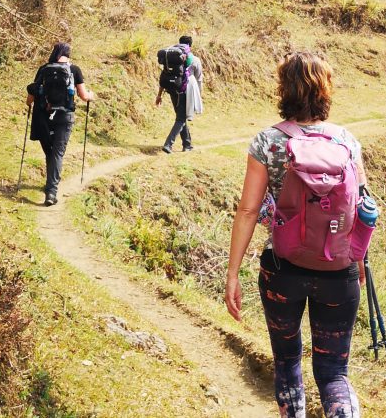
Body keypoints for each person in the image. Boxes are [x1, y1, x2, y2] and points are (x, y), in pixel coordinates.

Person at [225, 52, 368, 418]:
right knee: (334, 373)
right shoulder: (348, 142)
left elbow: (247, 210)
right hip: (338, 272)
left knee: (288, 362)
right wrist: (360, 260)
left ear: (284, 88)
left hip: (283, 271)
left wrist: (233, 273)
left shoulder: (268, 142)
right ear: (325, 90)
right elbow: (359, 208)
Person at [26, 42, 95, 206]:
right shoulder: (74, 70)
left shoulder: (44, 69)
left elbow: (31, 96)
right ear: (68, 54)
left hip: (43, 117)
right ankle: (51, 192)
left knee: (50, 153)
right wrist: (92, 96)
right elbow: (84, 96)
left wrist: (30, 103)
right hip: (64, 117)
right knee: (57, 153)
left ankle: (51, 185)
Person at [155, 35, 203, 153]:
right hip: (185, 90)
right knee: (181, 118)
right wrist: (199, 95)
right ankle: (168, 144)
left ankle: (187, 144)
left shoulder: (172, 58)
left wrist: (159, 95)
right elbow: (199, 79)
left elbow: (164, 76)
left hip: (172, 89)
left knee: (180, 117)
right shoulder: (194, 60)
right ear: (190, 46)